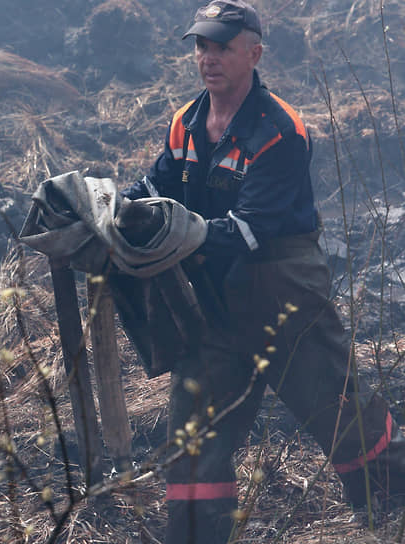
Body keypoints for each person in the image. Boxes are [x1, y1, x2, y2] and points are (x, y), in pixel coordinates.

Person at [121, 1, 405, 542]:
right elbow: (155, 186)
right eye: (202, 45)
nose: (209, 57)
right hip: (214, 306)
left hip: (284, 296)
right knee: (194, 439)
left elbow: (251, 231)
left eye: (223, 46)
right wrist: (115, 204)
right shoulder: (186, 121)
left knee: (340, 414)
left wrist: (186, 232)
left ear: (253, 53)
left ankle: (391, 513)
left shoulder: (279, 130)